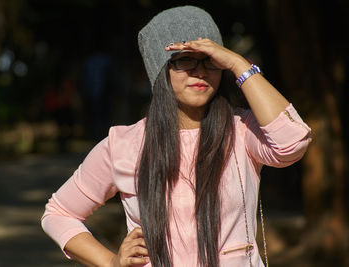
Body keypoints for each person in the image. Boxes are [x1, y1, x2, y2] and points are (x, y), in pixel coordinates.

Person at [41, 5, 311, 267]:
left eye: (211, 60)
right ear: (160, 72)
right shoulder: (124, 145)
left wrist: (239, 63)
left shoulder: (242, 129)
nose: (200, 71)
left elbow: (292, 142)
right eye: (185, 60)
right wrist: (110, 262)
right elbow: (58, 213)